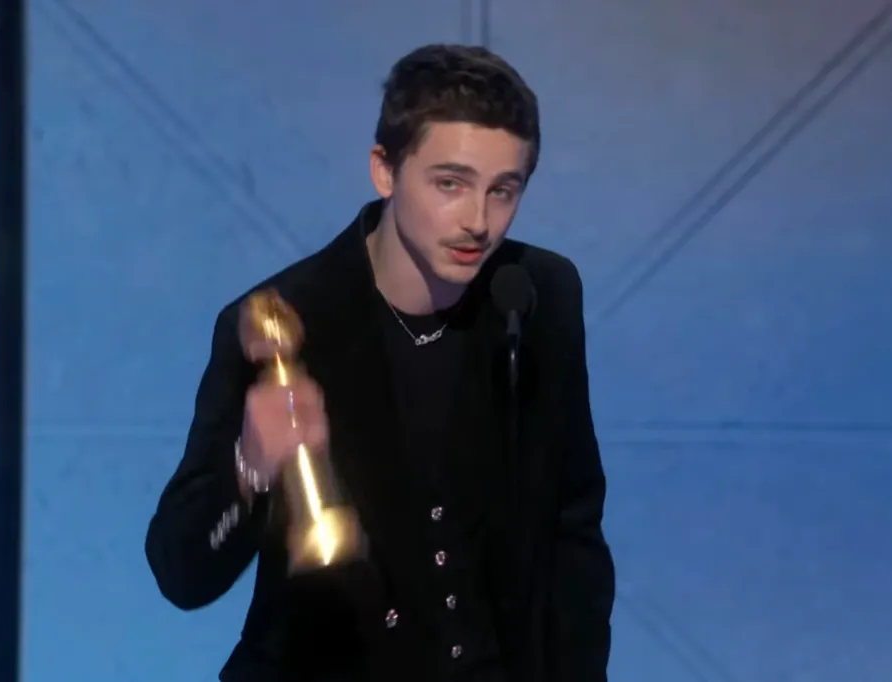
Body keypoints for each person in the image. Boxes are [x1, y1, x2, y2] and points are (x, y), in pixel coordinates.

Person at [144, 43, 615, 682]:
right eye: (450, 183)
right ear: (384, 170)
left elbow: (574, 538)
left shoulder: (541, 298)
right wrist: (250, 467)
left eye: (503, 191)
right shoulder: (279, 322)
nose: (478, 221)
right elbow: (181, 572)